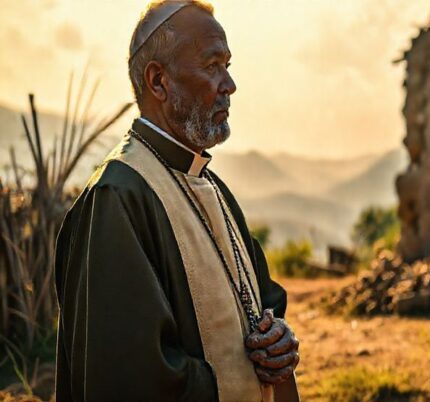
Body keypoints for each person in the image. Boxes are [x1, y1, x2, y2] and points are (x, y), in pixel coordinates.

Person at [54, 1, 300, 401]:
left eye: (228, 65)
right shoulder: (117, 198)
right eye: (212, 65)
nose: (229, 85)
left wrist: (278, 340)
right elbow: (128, 374)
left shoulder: (212, 187)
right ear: (158, 82)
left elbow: (265, 302)